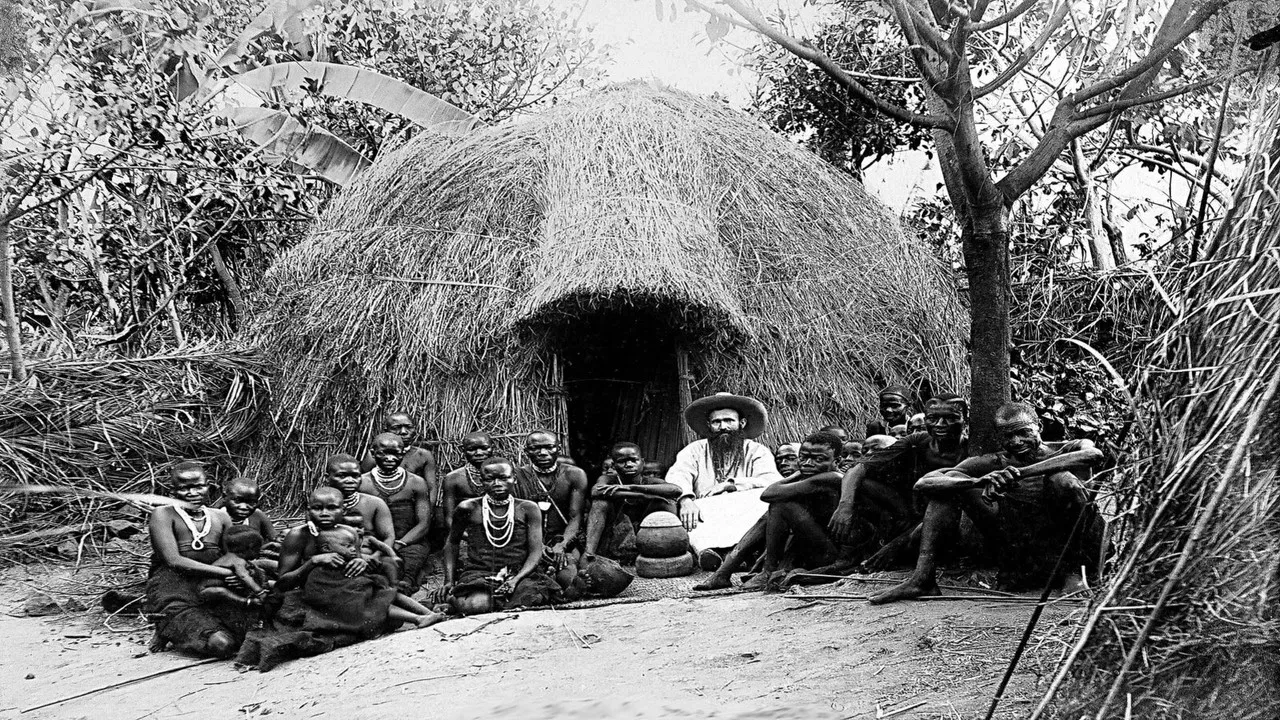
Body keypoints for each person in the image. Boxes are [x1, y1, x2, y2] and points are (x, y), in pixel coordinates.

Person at [870, 402, 1103, 604]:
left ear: (1038, 427)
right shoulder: (993, 462)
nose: (1016, 441)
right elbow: (924, 483)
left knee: (1062, 480)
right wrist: (977, 481)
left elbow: (1093, 455)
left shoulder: (1068, 448)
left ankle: (1075, 573)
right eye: (1007, 436)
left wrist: (1020, 473)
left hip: (1071, 546)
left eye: (1023, 432)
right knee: (951, 484)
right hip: (1022, 549)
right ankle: (922, 579)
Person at [667, 393, 784, 570]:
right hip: (705, 510)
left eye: (729, 420)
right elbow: (678, 475)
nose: (723, 427)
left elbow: (771, 481)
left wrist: (732, 484)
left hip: (743, 510)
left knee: (762, 500)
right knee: (689, 512)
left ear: (741, 423)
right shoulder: (694, 450)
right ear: (709, 425)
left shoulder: (757, 451)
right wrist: (686, 500)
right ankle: (711, 553)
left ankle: (737, 553)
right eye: (716, 422)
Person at [145, 461, 245, 658]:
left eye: (198, 486)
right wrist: (225, 572)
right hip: (174, 590)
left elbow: (231, 555)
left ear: (209, 486)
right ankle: (167, 627)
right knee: (222, 645)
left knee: (248, 633)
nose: (192, 493)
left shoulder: (221, 517)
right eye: (184, 488)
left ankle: (175, 627)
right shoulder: (163, 514)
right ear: (172, 491)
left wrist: (238, 574)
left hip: (213, 589)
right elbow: (174, 560)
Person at [443, 457, 564, 613]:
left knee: (530, 596)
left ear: (514, 479)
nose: (497, 484)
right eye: (490, 479)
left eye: (503, 478)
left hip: (519, 572)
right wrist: (449, 581)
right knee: (476, 605)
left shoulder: (528, 508)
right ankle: (453, 599)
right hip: (480, 572)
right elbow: (452, 543)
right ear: (481, 481)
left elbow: (535, 552)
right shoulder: (468, 508)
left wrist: (515, 580)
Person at [302, 526, 443, 632]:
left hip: (362, 597)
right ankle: (418, 619)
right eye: (347, 546)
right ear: (326, 549)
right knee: (378, 602)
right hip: (351, 607)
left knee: (392, 593)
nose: (353, 549)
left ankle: (429, 613)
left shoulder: (349, 561)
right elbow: (324, 593)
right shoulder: (321, 569)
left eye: (354, 546)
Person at [358, 432, 435, 591]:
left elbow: (423, 524)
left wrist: (397, 545)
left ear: (403, 453)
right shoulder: (362, 483)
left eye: (396, 454)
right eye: (384, 453)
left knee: (408, 567)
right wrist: (381, 546)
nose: (390, 458)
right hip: (374, 541)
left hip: (408, 541)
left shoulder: (416, 483)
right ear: (372, 453)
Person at [582, 442, 682, 562]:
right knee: (600, 503)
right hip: (615, 535)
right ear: (614, 465)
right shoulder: (608, 479)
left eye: (634, 460)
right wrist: (642, 495)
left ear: (642, 462)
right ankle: (589, 554)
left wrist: (630, 487)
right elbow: (596, 491)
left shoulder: (650, 481)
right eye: (622, 461)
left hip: (645, 535)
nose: (629, 465)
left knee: (667, 502)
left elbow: (676, 490)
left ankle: (669, 551)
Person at [360, 412, 441, 544]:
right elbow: (365, 485)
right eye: (396, 428)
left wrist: (427, 512)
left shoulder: (423, 455)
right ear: (386, 430)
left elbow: (431, 487)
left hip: (414, 507)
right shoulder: (373, 457)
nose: (403, 432)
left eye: (408, 427)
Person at [514, 430, 588, 568]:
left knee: (569, 573)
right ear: (526, 451)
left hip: (563, 540)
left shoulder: (575, 475)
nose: (543, 452)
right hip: (527, 541)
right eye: (535, 448)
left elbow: (575, 516)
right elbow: (517, 519)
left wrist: (562, 544)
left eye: (549, 447)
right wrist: (538, 546)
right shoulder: (517, 476)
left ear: (558, 449)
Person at [326, 453, 396, 555]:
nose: (350, 481)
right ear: (327, 477)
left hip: (370, 557)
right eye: (342, 476)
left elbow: (388, 537)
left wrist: (375, 557)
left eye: (355, 476)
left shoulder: (375, 503)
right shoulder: (320, 504)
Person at [217, 478, 280, 574]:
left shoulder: (257, 515)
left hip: (252, 565)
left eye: (251, 502)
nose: (244, 507)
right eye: (237, 501)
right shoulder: (215, 517)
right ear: (225, 497)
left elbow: (275, 539)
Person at [198, 525, 270, 609]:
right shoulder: (238, 561)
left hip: (208, 589)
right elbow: (244, 576)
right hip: (206, 591)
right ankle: (246, 601)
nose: (259, 552)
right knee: (222, 592)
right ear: (250, 548)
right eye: (258, 549)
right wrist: (260, 592)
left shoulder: (231, 557)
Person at [441, 432, 495, 531]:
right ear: (463, 450)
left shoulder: (505, 475)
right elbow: (449, 519)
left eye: (484, 448)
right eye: (472, 449)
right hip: (466, 531)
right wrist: (466, 536)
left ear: (492, 448)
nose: (479, 453)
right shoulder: (453, 478)